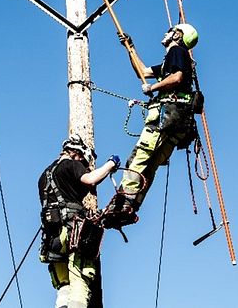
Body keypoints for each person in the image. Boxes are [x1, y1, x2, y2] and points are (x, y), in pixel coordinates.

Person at [103, 23, 200, 228]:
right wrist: (130, 48)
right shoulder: (173, 58)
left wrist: (153, 87)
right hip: (178, 122)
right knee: (151, 165)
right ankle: (131, 206)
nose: (166, 32)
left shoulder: (176, 51)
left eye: (171, 30)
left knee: (140, 157)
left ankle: (122, 202)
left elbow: (177, 77)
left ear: (177, 35)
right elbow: (143, 71)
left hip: (166, 116)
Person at [38, 134, 120, 308]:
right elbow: (91, 179)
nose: (83, 164)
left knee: (64, 286)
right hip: (72, 232)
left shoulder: (44, 176)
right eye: (82, 160)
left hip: (52, 236)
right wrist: (111, 163)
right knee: (80, 280)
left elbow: (84, 187)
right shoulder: (71, 164)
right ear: (77, 152)